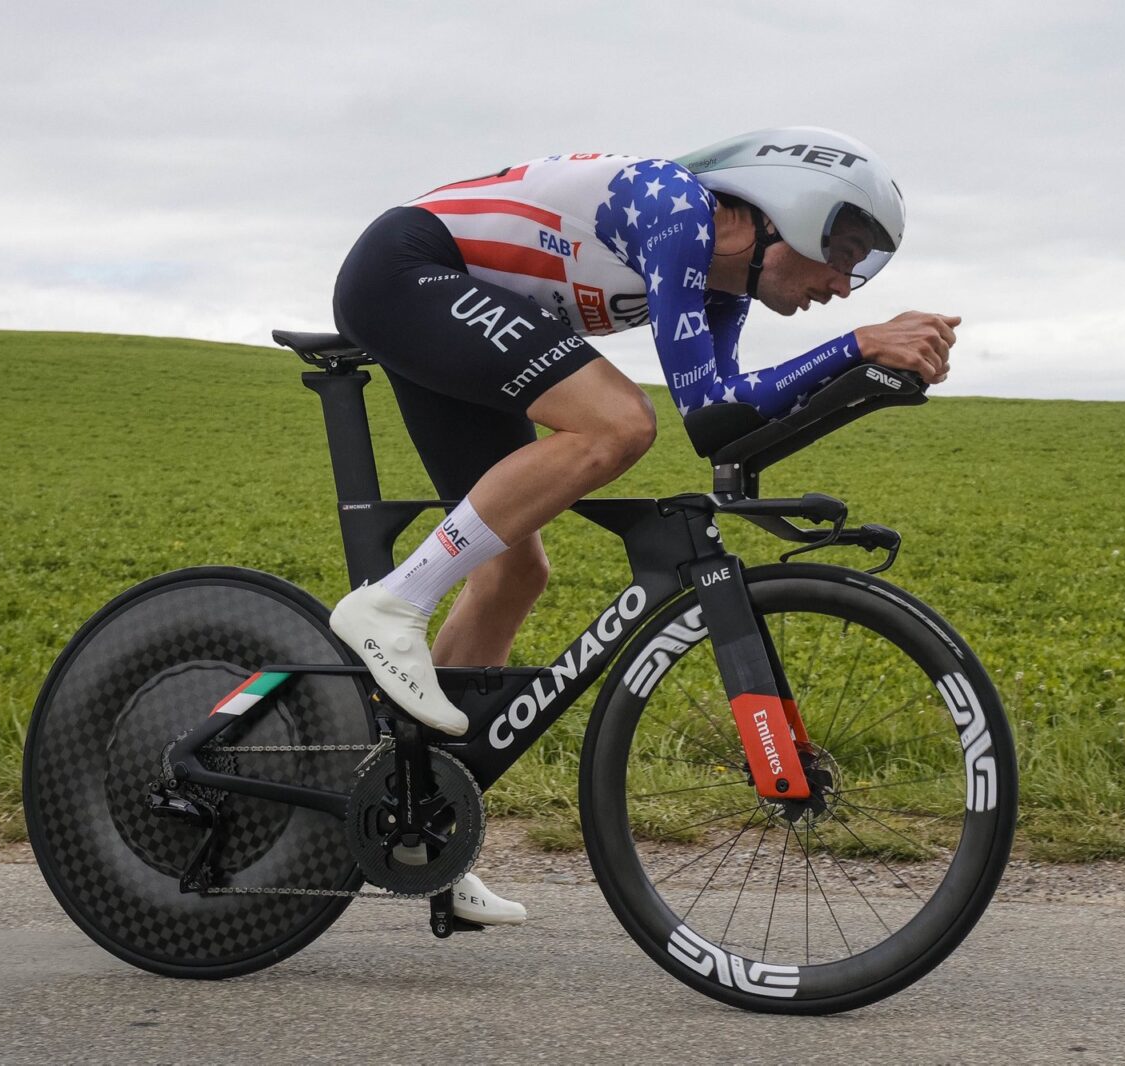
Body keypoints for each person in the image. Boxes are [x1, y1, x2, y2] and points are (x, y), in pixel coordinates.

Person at [327, 126, 960, 925]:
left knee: (515, 571)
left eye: (861, 270)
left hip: (463, 301)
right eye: (843, 251)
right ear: (788, 210)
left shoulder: (722, 288)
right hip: (406, 270)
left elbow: (722, 423)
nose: (844, 284)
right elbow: (695, 412)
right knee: (618, 422)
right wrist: (857, 344)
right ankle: (392, 604)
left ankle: (419, 819)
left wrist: (864, 373)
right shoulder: (678, 210)